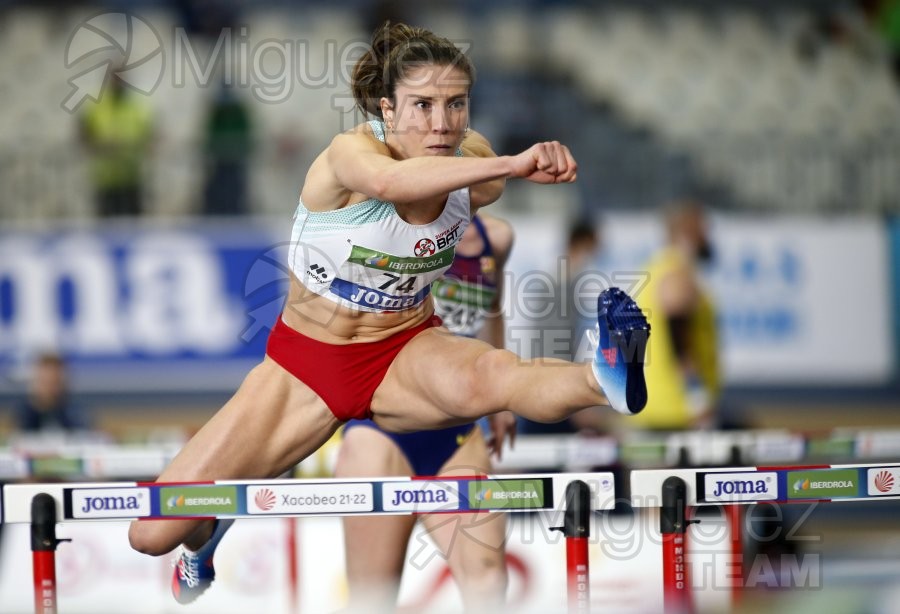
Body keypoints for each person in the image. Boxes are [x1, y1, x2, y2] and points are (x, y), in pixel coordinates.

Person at [126, 22, 650, 605]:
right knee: (151, 533)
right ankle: (203, 540)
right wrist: (509, 164)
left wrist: (498, 165)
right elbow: (390, 181)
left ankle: (603, 376)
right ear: (386, 109)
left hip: (405, 347)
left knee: (494, 376)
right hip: (307, 366)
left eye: (456, 105)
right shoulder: (350, 155)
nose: (442, 123)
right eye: (422, 105)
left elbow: (479, 245)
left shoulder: (472, 167)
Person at [335, 212, 517, 613]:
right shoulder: (394, 223)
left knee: (488, 581)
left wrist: (501, 395)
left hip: (454, 434)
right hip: (383, 435)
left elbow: (492, 308)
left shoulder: (496, 237)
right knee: (373, 602)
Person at [627, 200, 719, 432]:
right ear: (688, 232)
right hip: (673, 413)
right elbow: (678, 336)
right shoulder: (676, 272)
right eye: (703, 231)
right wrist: (696, 398)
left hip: (649, 405)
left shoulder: (653, 269)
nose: (708, 238)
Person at [79, 74, 155, 217]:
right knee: (106, 223)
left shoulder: (137, 106)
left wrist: (140, 147)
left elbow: (152, 135)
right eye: (115, 80)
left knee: (133, 221)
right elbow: (83, 133)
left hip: (132, 176)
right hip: (105, 178)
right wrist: (99, 146)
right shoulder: (96, 106)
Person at [13, 352, 91, 433]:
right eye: (44, 382)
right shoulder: (24, 413)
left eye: (54, 382)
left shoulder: (73, 412)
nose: (49, 388)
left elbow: (81, 435)